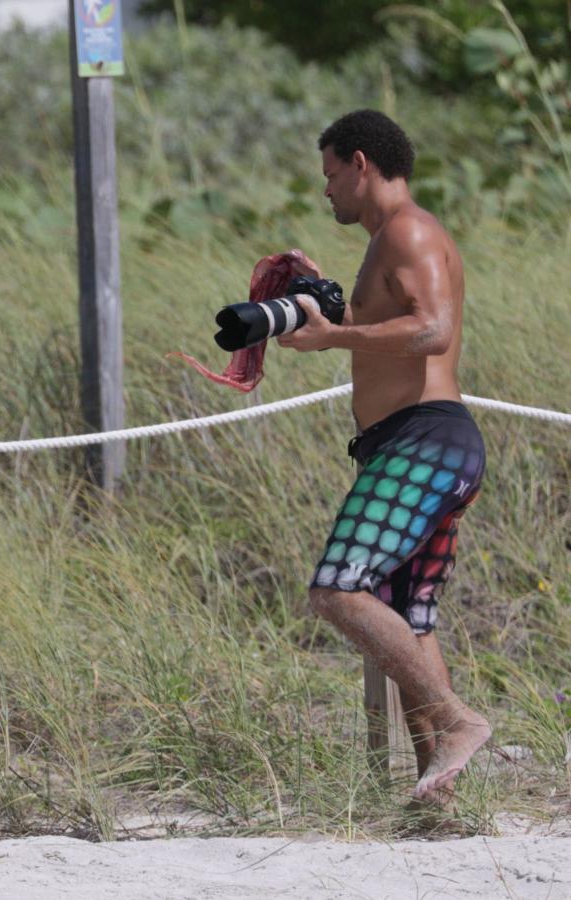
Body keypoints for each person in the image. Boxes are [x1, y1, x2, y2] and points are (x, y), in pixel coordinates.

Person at [278, 109, 490, 802]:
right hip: (418, 444)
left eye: (331, 174)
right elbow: (388, 327)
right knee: (410, 616)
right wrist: (326, 307)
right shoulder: (386, 243)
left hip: (424, 440)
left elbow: (432, 329)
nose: (326, 190)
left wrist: (333, 338)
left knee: (338, 589)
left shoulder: (409, 229)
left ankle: (457, 722)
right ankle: (439, 799)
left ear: (361, 164)